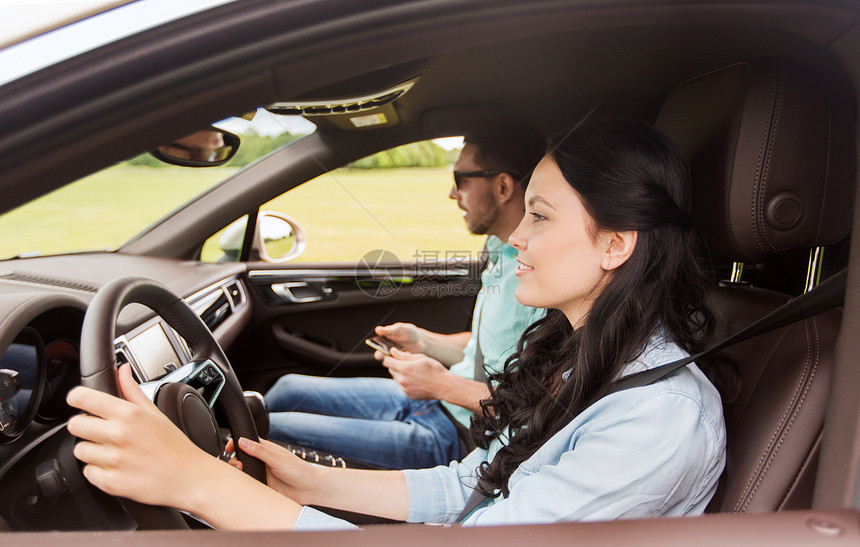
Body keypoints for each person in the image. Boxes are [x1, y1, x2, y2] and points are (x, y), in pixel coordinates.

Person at [66, 120, 726, 530]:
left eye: (542, 216)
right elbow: (478, 480)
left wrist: (198, 483)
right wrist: (312, 480)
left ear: (616, 244)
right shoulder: (590, 356)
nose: (517, 236)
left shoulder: (657, 418)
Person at [262, 117, 546, 469]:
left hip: (461, 436)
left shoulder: (542, 276)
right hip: (438, 402)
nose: (452, 194)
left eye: (460, 180)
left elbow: (537, 403)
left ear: (503, 187)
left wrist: (441, 384)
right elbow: (493, 346)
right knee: (288, 388)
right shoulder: (501, 250)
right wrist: (423, 341)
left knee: (266, 429)